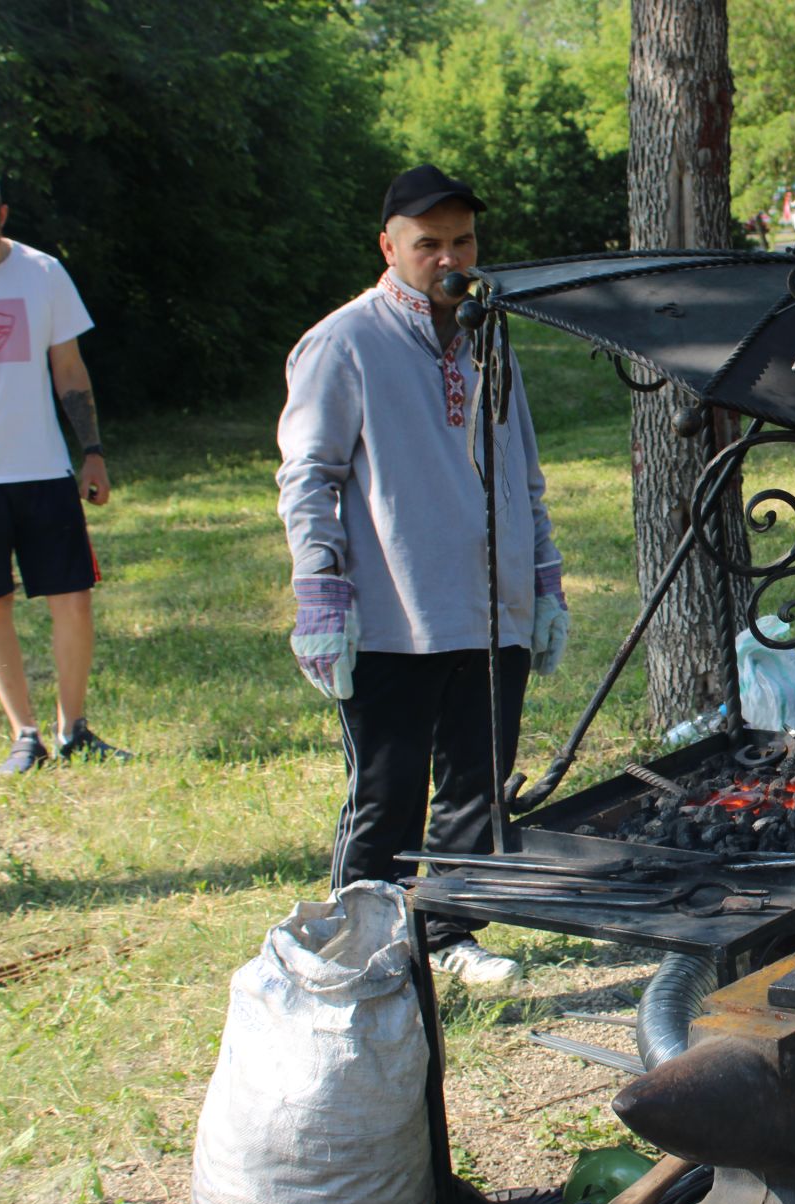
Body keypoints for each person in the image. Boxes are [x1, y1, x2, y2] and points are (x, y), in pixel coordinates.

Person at [276, 164, 569, 986]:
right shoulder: (345, 341)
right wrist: (322, 595)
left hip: (490, 611)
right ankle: (360, 951)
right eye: (428, 244)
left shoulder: (489, 336)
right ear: (389, 247)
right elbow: (309, 475)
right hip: (396, 612)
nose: (449, 259)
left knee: (478, 785)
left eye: (463, 241)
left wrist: (542, 581)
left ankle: (445, 933)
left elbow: (524, 471)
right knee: (388, 792)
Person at [0, 164, 130, 774]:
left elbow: (70, 369)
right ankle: (23, 734)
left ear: (2, 217)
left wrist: (92, 452)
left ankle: (73, 728)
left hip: (41, 466)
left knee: (73, 599)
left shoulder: (41, 272)